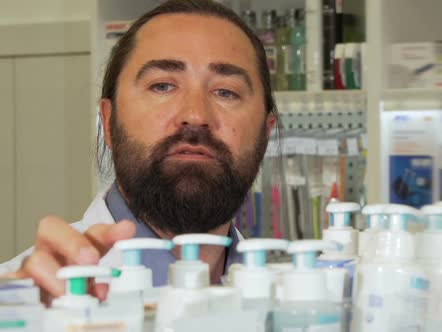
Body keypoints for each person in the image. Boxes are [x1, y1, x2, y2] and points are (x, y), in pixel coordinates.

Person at [0, 0, 277, 302]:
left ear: (265, 132)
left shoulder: (298, 306)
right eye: (162, 86)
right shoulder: (19, 301)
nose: (196, 115)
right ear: (108, 122)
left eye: (226, 91)